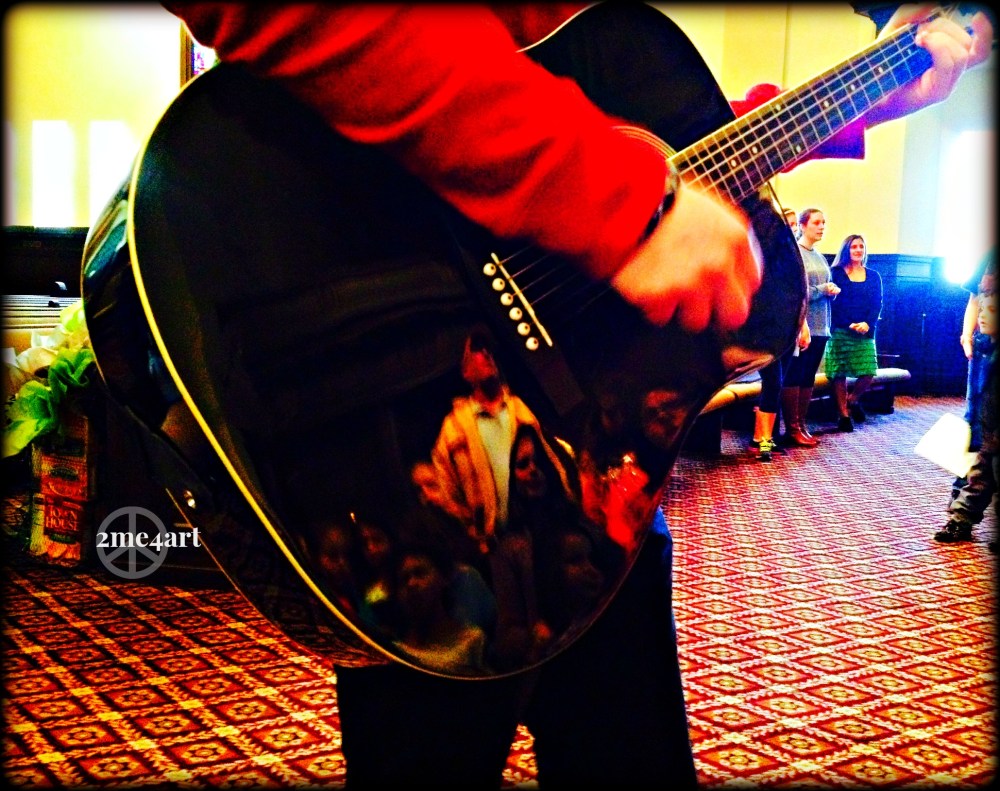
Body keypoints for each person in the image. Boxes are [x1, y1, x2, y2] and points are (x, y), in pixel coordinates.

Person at [161, 4, 993, 787]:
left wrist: (873, 94)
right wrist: (613, 198)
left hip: (598, 461)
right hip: (411, 408)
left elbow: (667, 130)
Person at [935, 275, 996, 545]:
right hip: (990, 421)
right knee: (981, 466)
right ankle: (960, 519)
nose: (981, 317)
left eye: (990, 312)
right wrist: (968, 336)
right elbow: (976, 299)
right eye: (983, 310)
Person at [785, 207, 841, 442]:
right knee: (795, 375)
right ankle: (792, 428)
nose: (821, 227)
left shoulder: (818, 255)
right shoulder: (794, 254)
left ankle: (803, 424)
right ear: (802, 225)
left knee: (808, 377)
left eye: (824, 223)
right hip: (802, 325)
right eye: (816, 223)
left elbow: (824, 287)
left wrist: (832, 291)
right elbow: (794, 292)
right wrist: (821, 290)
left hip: (821, 324)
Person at [827, 234, 883, 432]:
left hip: (865, 331)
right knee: (839, 373)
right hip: (841, 329)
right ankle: (843, 415)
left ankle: (853, 400)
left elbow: (877, 304)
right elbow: (835, 305)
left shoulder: (874, 275)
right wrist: (849, 323)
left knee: (868, 370)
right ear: (846, 250)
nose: (858, 250)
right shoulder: (835, 273)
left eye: (861, 246)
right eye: (854, 247)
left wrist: (867, 324)